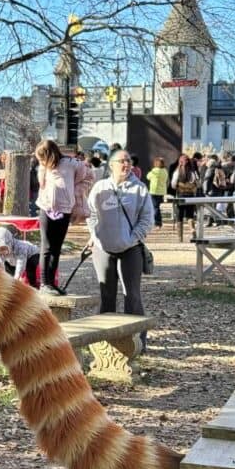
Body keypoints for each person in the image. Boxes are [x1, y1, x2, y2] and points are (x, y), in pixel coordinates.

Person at [86, 149, 154, 350]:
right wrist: (95, 235)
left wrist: (131, 239)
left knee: (131, 295)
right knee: (106, 294)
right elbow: (91, 213)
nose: (126, 165)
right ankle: (104, 343)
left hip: (130, 249)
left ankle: (136, 342)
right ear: (112, 165)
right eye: (122, 161)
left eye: (129, 161)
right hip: (103, 248)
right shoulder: (100, 187)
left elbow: (147, 220)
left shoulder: (139, 189)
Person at [34, 140, 93, 295]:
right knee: (46, 246)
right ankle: (44, 282)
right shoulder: (43, 167)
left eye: (43, 159)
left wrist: (76, 191)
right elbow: (41, 181)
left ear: (51, 155)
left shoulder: (72, 164)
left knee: (56, 247)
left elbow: (87, 176)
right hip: (46, 208)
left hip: (64, 209)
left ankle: (52, 283)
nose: (41, 162)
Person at [171, 153, 199, 230]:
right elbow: (197, 183)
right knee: (190, 215)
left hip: (181, 195)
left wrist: (177, 186)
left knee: (179, 215)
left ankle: (180, 238)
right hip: (191, 195)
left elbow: (173, 184)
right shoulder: (193, 172)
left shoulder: (177, 172)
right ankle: (192, 229)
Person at [146, 157, 169, 228]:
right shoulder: (165, 171)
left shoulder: (154, 171)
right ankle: (158, 222)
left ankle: (157, 222)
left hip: (154, 191)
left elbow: (148, 177)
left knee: (155, 207)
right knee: (157, 207)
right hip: (162, 192)